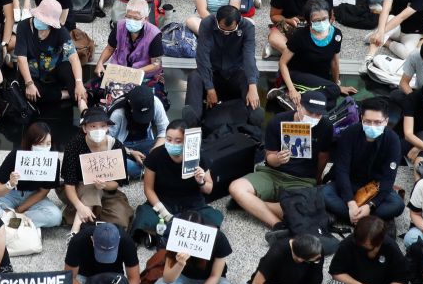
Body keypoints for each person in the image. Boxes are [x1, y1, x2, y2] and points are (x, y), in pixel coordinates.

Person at [229, 91, 332, 228]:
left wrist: (317, 178)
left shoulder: (325, 126)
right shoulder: (278, 121)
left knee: (306, 209)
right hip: (272, 173)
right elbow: (270, 157)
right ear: (299, 106)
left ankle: (251, 204)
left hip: (302, 179)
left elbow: (323, 156)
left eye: (318, 114)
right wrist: (278, 159)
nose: (313, 117)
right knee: (236, 188)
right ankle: (276, 224)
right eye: (310, 112)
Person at [131, 120, 219, 243]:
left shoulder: (197, 156)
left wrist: (201, 181)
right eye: (168, 139)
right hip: (163, 201)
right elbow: (148, 189)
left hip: (192, 203)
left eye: (178, 141)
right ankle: (176, 232)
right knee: (144, 216)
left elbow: (209, 189)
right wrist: (163, 212)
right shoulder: (155, 155)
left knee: (213, 218)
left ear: (186, 141)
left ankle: (163, 234)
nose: (172, 144)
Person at [323, 99, 404, 223]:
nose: (372, 126)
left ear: (386, 121)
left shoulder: (393, 140)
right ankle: (368, 219)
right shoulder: (350, 133)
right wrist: (350, 202)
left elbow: (388, 178)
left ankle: (352, 216)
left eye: (377, 122)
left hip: (373, 188)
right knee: (325, 194)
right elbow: (341, 169)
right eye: (367, 121)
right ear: (361, 118)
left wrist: (370, 205)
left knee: (397, 205)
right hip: (349, 182)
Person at [323, 216, 418, 284]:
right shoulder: (349, 243)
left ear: (380, 242)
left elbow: (401, 279)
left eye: (368, 247)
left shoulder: (390, 247)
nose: (363, 248)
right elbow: (336, 272)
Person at [60, 107, 134, 232]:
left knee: (120, 221)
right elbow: (69, 184)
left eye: (102, 126)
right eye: (93, 126)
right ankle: (75, 231)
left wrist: (104, 185)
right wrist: (79, 206)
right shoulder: (74, 146)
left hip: (107, 191)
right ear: (85, 128)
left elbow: (117, 183)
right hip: (79, 188)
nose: (98, 130)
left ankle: (87, 218)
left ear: (107, 128)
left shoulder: (116, 146)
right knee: (91, 188)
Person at [0, 122, 62, 227]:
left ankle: (10, 218)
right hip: (10, 194)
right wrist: (10, 184)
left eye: (48, 144)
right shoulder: (16, 155)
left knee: (55, 216)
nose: (44, 147)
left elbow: (43, 192)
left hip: (33, 197)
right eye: (40, 144)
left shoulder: (53, 161)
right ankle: (19, 222)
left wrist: (19, 211)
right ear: (30, 143)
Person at [187, 5, 260, 118]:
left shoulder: (248, 27)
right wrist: (210, 88)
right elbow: (202, 56)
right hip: (214, 73)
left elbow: (249, 56)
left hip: (236, 73)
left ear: (238, 22)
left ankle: (254, 117)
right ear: (216, 20)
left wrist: (253, 86)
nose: (226, 33)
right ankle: (192, 120)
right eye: (222, 29)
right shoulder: (207, 23)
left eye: (231, 30)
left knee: (249, 79)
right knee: (194, 76)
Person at [65, 222, 146, 284]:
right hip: (85, 277)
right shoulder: (78, 241)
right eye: (102, 251)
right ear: (92, 239)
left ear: (119, 240)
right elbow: (69, 278)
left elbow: (134, 278)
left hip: (114, 279)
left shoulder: (127, 241)